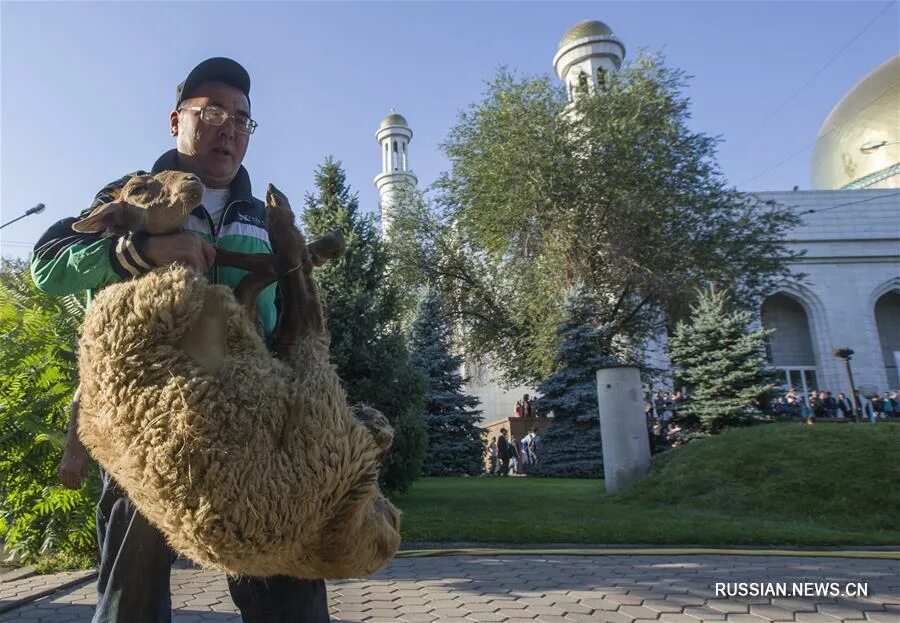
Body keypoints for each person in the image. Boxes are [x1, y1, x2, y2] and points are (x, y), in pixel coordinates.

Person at [32, 58, 329, 623]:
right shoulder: (135, 193)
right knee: (131, 599)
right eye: (214, 111)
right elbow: (47, 267)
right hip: (146, 426)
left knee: (289, 588)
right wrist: (135, 251)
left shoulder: (265, 214)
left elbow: (291, 315)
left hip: (252, 421)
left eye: (243, 119)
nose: (230, 128)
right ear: (177, 121)